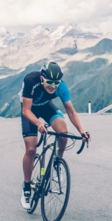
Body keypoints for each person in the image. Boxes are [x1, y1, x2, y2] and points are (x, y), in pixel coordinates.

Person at [19, 62, 90, 209]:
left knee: (63, 134)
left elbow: (70, 111)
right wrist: (38, 123)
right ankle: (27, 188)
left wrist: (82, 131)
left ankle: (58, 162)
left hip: (46, 107)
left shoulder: (61, 87)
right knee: (31, 149)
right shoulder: (31, 81)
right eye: (49, 82)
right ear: (42, 78)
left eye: (56, 83)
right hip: (30, 110)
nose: (53, 86)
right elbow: (26, 110)